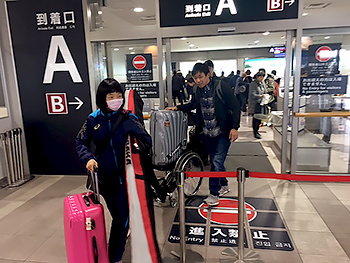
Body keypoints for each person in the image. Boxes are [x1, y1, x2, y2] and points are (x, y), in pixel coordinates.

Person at [75, 78, 157, 263]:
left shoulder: (130, 118)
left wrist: (136, 148)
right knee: (118, 216)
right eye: (111, 96)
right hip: (104, 179)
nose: (116, 100)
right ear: (102, 99)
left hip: (126, 179)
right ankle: (121, 237)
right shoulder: (92, 119)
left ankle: (115, 257)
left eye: (119, 96)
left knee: (120, 219)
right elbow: (80, 141)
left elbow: (146, 140)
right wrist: (88, 158)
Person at [166, 63, 240, 206]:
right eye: (195, 78)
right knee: (215, 160)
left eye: (200, 77)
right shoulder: (197, 90)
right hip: (207, 132)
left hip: (223, 131)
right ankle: (223, 184)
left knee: (217, 161)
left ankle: (214, 194)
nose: (198, 80)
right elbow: (193, 104)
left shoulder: (221, 86)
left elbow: (235, 106)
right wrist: (177, 107)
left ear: (208, 74)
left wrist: (235, 127)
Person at [248, 71, 267, 139]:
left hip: (261, 103)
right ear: (257, 77)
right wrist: (260, 96)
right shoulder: (253, 84)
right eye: (261, 77)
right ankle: (255, 132)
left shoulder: (263, 83)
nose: (262, 78)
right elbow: (252, 94)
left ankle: (257, 130)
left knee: (260, 118)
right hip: (255, 104)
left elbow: (265, 91)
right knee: (256, 118)